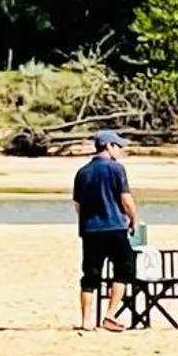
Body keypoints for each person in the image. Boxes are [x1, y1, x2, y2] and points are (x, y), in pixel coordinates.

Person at [72, 129, 138, 330]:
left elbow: (77, 204)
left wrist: (85, 221)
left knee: (90, 274)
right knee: (124, 269)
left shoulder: (83, 172)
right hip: (114, 227)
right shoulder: (116, 169)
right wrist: (133, 219)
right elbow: (125, 199)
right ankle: (110, 314)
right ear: (108, 146)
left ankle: (85, 320)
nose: (119, 150)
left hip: (91, 229)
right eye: (117, 146)